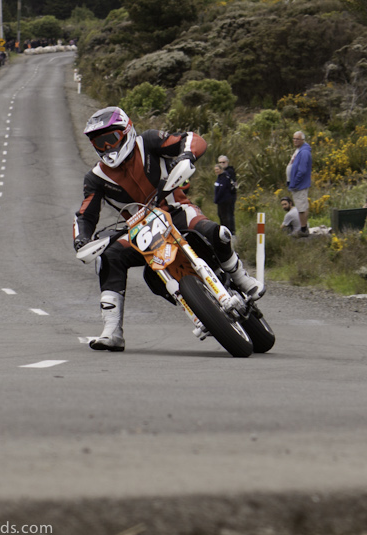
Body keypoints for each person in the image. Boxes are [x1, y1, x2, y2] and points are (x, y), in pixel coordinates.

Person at [72, 106, 264, 352]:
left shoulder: (149, 141)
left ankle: (241, 278)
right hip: (139, 231)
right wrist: (82, 239)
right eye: (100, 143)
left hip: (175, 210)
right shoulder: (96, 177)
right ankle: (112, 330)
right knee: (109, 257)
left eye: (111, 139)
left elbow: (192, 139)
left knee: (215, 232)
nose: (107, 147)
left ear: (126, 131)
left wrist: (187, 155)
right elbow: (85, 213)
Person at [286, 129, 312, 236]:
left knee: (302, 208)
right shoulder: (299, 150)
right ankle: (303, 228)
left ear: (303, 140)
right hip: (296, 185)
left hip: (299, 185)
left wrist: (295, 183)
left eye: (298, 139)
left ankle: (303, 229)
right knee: (300, 206)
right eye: (294, 139)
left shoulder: (304, 152)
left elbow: (302, 170)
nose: (295, 141)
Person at [213, 154, 237, 234]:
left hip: (228, 197)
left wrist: (216, 199)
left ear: (227, 162)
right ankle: (226, 231)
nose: (222, 164)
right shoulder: (220, 174)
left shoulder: (228, 172)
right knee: (222, 215)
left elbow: (223, 187)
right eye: (220, 162)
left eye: (223, 162)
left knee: (228, 214)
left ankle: (230, 231)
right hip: (223, 198)